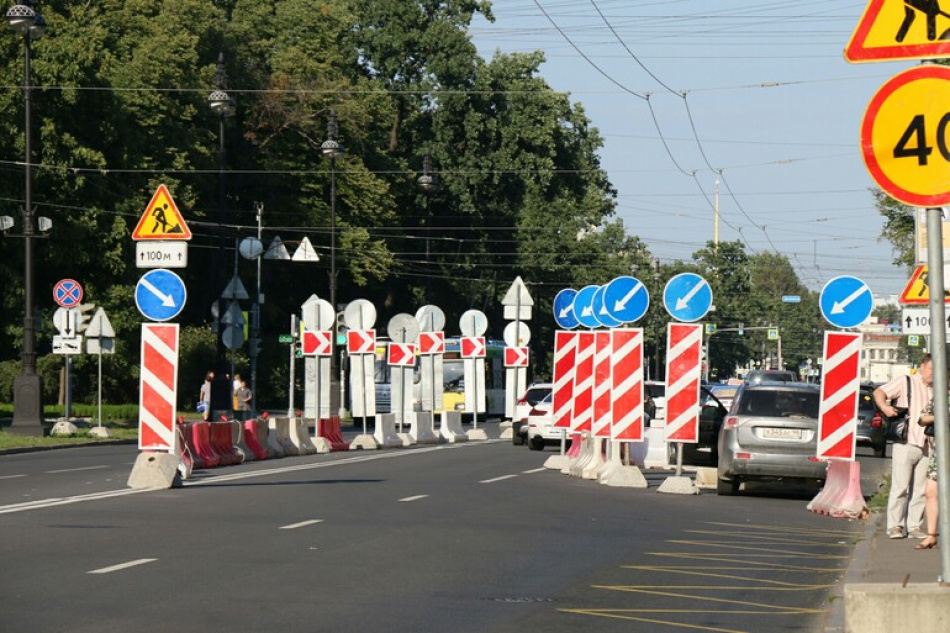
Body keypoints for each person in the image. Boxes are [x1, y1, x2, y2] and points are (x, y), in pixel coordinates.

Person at [874, 354, 934, 539]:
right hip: (905, 441)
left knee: (921, 489)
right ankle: (895, 526)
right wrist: (885, 408)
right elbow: (879, 392)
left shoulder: (937, 389)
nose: (934, 375)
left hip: (928, 444)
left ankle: (915, 526)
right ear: (922, 367)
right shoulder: (906, 381)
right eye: (932, 370)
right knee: (900, 487)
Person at [915, 400, 939, 550]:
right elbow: (922, 419)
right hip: (940, 452)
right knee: (930, 492)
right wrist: (940, 416)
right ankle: (931, 536)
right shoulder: (941, 397)